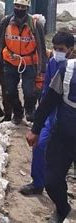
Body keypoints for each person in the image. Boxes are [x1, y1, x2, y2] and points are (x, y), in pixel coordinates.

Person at [26, 51, 76, 223]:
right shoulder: (66, 70)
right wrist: (35, 129)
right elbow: (48, 102)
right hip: (62, 137)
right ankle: (62, 208)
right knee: (52, 182)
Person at [20, 31, 74, 196]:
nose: (58, 52)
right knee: (39, 145)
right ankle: (38, 183)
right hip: (52, 116)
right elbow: (47, 93)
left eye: (62, 49)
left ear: (71, 49)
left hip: (69, 118)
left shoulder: (72, 67)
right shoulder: (52, 63)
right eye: (55, 48)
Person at [0, 0, 47, 124]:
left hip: (29, 63)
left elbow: (41, 47)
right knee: (10, 91)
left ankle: (29, 109)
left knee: (29, 92)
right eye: (17, 6)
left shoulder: (35, 24)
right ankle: (17, 113)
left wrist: (42, 68)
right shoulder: (6, 21)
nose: (20, 9)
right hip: (10, 62)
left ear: (27, 8)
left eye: (23, 7)